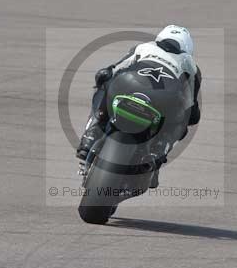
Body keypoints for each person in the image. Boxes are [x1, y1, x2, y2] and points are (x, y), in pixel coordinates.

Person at [76, 25, 201, 187]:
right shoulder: (191, 65)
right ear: (187, 48)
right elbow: (193, 111)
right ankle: (158, 150)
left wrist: (104, 79)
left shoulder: (143, 47)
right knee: (182, 119)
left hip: (128, 85)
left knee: (106, 83)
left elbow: (111, 70)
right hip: (162, 100)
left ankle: (92, 132)